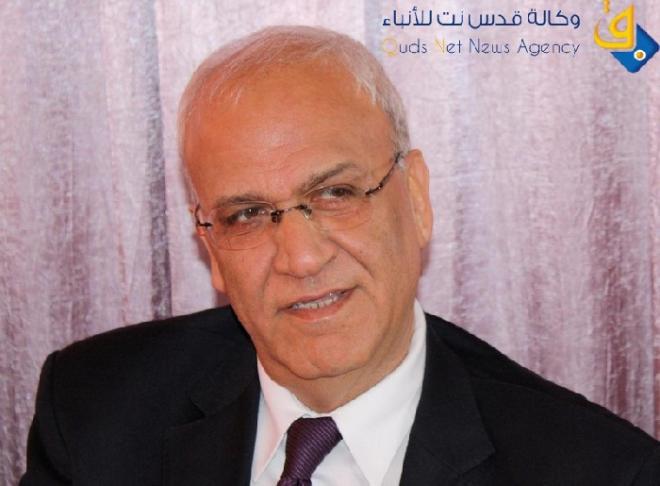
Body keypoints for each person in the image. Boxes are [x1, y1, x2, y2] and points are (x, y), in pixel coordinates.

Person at [21, 26, 660, 486]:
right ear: (210, 246)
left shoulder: (600, 469)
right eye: (246, 215)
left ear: (416, 200)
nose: (300, 259)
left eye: (335, 194)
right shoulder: (91, 412)